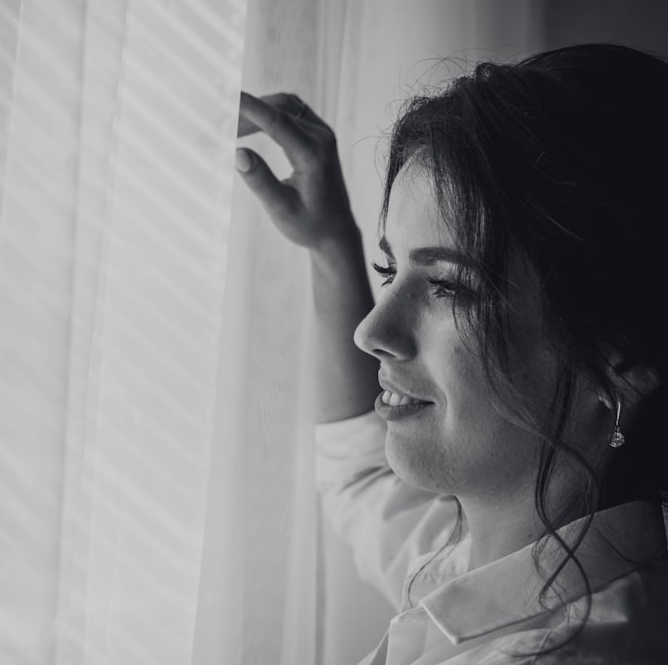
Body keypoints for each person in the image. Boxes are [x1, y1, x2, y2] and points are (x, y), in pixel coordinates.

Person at [236, 43, 668, 664]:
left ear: (622, 359)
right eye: (390, 270)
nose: (370, 331)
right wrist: (332, 244)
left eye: (450, 287)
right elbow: (359, 473)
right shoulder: (476, 553)